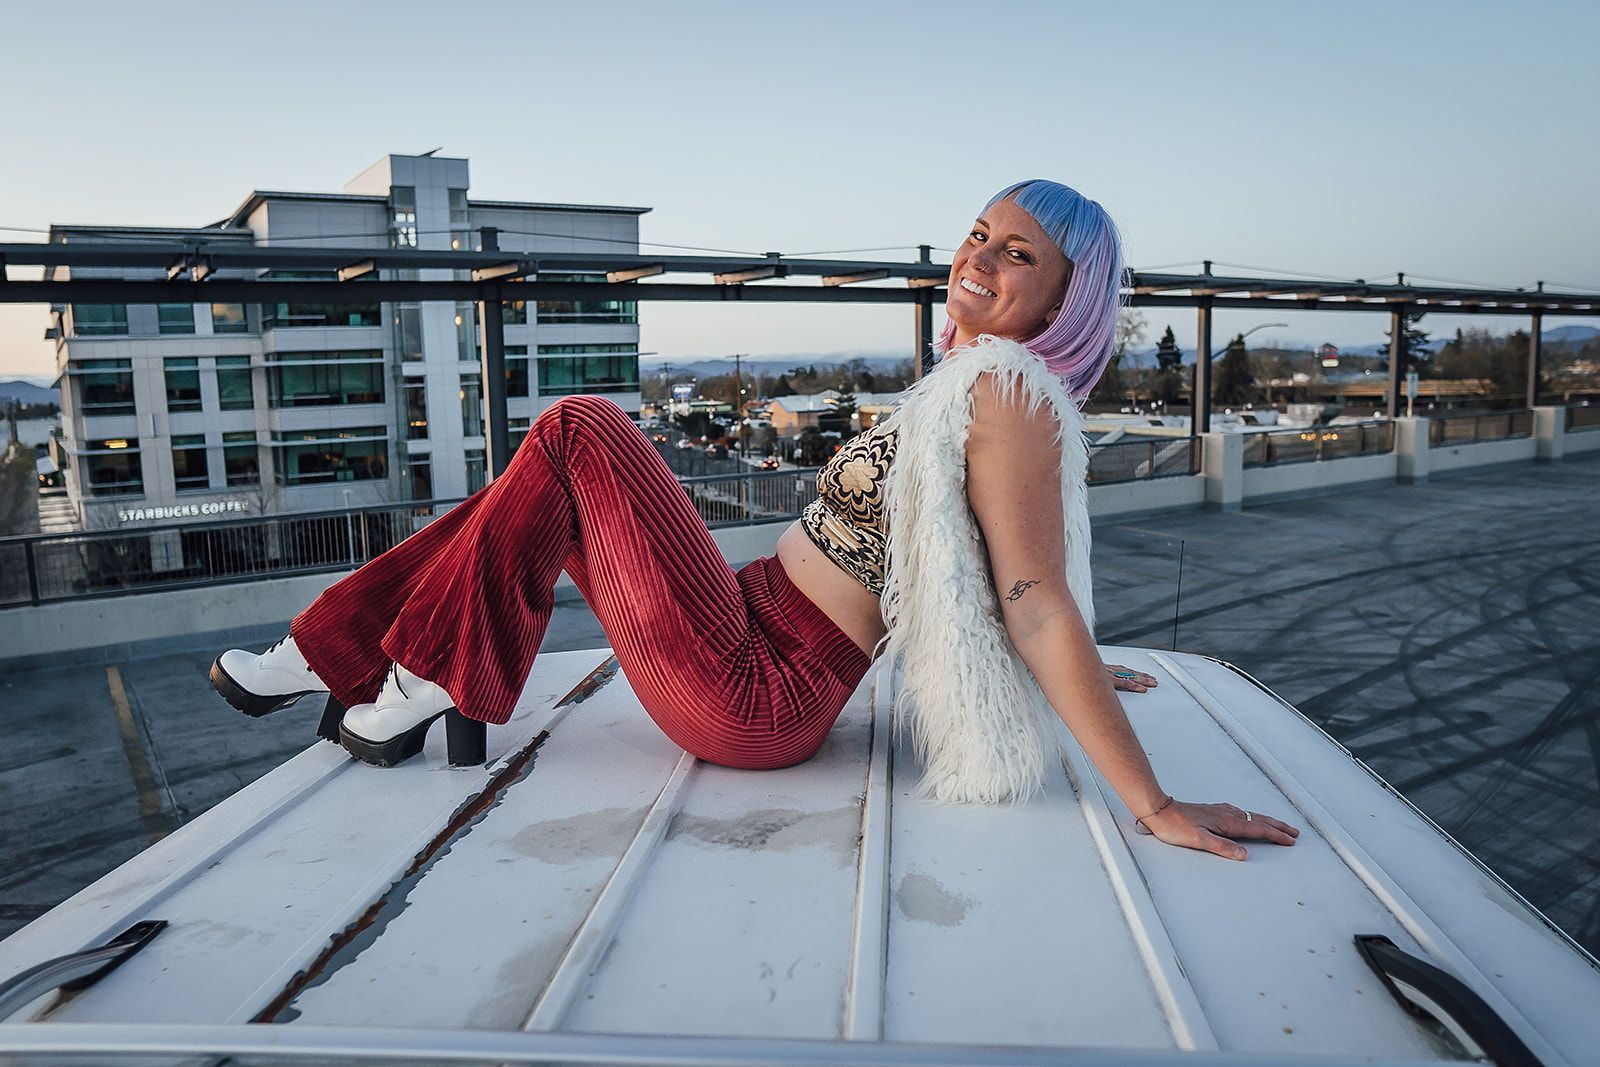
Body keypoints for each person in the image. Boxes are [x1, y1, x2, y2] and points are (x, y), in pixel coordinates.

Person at [210, 179, 1299, 862]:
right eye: (979, 232)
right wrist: (1088, 662)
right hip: (740, 620)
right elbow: (996, 564)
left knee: (581, 423)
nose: (980, 256)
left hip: (761, 684)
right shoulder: (970, 384)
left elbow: (1029, 590)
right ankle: (345, 655)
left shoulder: (1008, 394)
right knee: (538, 487)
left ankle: (399, 672)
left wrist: (1149, 801)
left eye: (1019, 252)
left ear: (1071, 291)